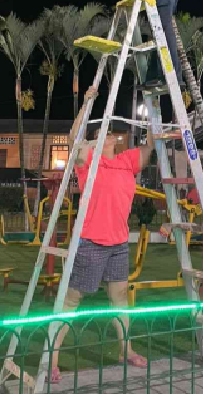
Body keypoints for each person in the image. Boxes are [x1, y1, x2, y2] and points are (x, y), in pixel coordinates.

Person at [51, 86, 154, 380]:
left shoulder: (125, 162)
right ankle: (53, 359)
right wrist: (87, 102)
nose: (108, 135)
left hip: (118, 243)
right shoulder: (88, 163)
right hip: (91, 242)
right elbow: (74, 139)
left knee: (120, 299)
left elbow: (149, 147)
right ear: (94, 141)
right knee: (72, 300)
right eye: (101, 133)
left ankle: (126, 350)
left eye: (110, 133)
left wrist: (153, 116)